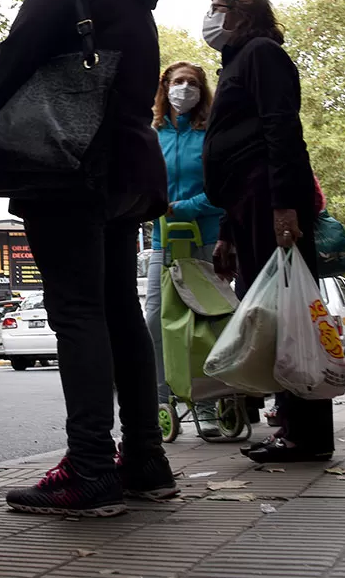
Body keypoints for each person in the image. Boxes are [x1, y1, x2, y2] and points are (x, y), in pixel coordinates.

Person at [0, 0, 172, 516]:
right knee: (116, 307)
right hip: (124, 167)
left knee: (78, 311)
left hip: (66, 165)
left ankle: (89, 467)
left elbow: (12, 60)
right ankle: (144, 457)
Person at [202, 0, 332, 463]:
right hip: (246, 205)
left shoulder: (261, 54)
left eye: (218, 8)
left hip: (267, 200)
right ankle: (293, 425)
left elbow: (282, 128)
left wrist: (284, 206)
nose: (210, 17)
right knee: (273, 314)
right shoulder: (238, 61)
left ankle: (307, 433)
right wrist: (227, 232)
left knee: (290, 315)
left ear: (242, 14)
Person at [148, 62, 224, 436]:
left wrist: (182, 207)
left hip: (201, 239)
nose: (184, 89)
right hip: (162, 240)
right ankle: (162, 400)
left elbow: (222, 191)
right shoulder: (154, 133)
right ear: (165, 88)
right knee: (156, 320)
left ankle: (206, 403)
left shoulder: (209, 133)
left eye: (192, 83)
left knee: (202, 322)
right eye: (178, 82)